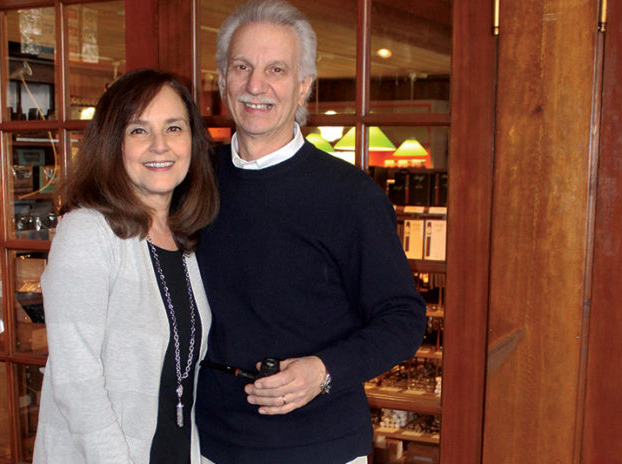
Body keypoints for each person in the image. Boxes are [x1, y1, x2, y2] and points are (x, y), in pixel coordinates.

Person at [195, 1, 427, 463]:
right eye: (242, 67)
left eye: (276, 69)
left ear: (303, 88)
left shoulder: (351, 197)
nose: (255, 85)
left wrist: (323, 371)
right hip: (208, 444)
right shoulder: (194, 182)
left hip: (320, 447)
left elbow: (403, 319)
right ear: (223, 80)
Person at [33, 69, 219, 464]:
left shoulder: (184, 240)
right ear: (112, 142)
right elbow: (76, 383)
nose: (160, 146)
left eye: (173, 128)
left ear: (192, 140)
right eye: (138, 131)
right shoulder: (87, 233)